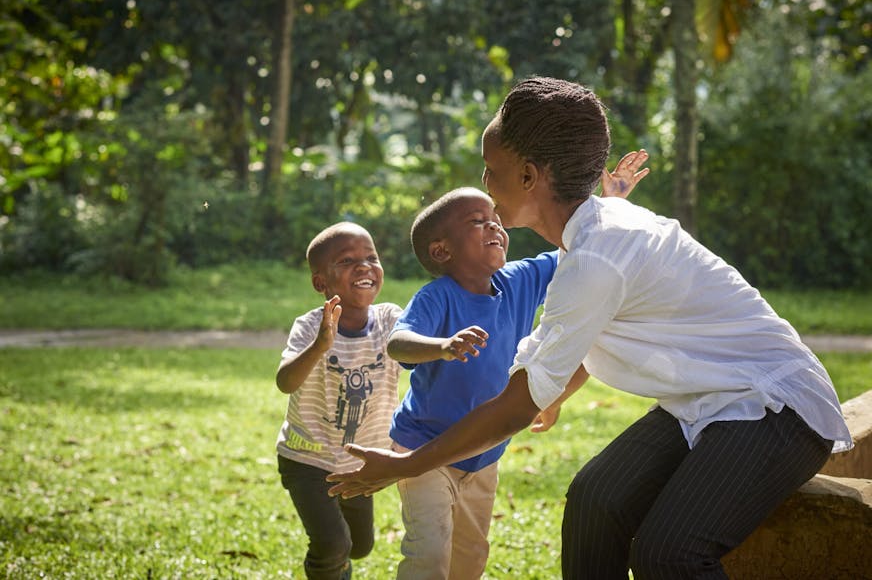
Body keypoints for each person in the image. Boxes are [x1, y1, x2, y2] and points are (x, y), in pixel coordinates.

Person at [327, 77, 853, 580]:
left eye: (491, 170)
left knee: (669, 555)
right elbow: (584, 333)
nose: (486, 186)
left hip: (775, 407)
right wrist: (556, 387)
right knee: (594, 499)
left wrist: (405, 465)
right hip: (706, 401)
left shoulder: (596, 258)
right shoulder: (589, 239)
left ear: (529, 177)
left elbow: (515, 405)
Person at [386, 155, 645, 580]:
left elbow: (576, 247)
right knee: (428, 554)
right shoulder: (437, 297)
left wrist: (608, 202)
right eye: (476, 221)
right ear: (442, 250)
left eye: (494, 218)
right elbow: (399, 344)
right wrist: (442, 346)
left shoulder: (520, 279)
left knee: (469, 558)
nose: (495, 226)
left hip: (485, 455)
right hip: (424, 449)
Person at [275, 222, 403, 580]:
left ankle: (337, 560)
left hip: (361, 462)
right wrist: (320, 345)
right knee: (333, 545)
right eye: (347, 261)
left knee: (359, 545)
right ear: (321, 283)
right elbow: (285, 382)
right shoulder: (310, 326)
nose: (364, 266)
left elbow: (415, 347)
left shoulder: (391, 319)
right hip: (307, 458)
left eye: (371, 257)